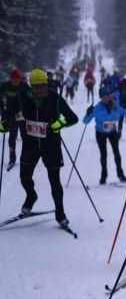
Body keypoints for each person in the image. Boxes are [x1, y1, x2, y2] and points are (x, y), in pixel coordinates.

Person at [0, 69, 78, 228]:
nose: (39, 90)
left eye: (42, 86)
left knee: (54, 181)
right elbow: (8, 113)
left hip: (51, 145)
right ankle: (31, 196)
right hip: (30, 144)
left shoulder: (55, 99)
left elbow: (73, 118)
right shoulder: (22, 97)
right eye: (35, 86)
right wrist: (4, 123)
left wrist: (60, 123)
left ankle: (60, 214)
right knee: (24, 177)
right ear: (31, 86)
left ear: (46, 85)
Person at [83, 86, 126, 183]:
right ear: (100, 98)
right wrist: (88, 113)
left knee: (116, 153)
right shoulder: (97, 108)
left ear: (109, 96)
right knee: (103, 155)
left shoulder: (115, 105)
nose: (105, 99)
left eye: (107, 96)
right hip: (100, 133)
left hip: (112, 132)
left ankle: (120, 174)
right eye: (103, 97)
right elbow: (86, 121)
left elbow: (124, 112)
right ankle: (103, 176)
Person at [2, 69, 29, 170]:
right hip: (11, 116)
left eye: (18, 78)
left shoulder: (25, 86)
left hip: (22, 116)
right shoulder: (5, 86)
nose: (16, 80)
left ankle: (25, 158)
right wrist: (3, 115)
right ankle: (12, 159)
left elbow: (30, 100)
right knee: (12, 138)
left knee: (25, 138)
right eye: (14, 78)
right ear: (11, 78)